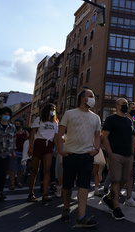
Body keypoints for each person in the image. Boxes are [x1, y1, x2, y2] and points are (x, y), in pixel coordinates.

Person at [57, 89, 101, 227]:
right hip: (70, 155)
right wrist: (61, 151)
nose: (93, 99)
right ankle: (66, 209)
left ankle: (81, 216)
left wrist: (96, 149)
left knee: (84, 186)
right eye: (91, 96)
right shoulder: (69, 113)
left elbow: (98, 135)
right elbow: (60, 134)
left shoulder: (96, 117)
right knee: (68, 185)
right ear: (82, 99)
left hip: (87, 156)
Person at [102, 98, 134, 220]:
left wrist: (132, 154)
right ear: (117, 106)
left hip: (128, 156)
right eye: (123, 104)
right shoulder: (111, 119)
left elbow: (132, 138)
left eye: (127, 104)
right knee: (115, 181)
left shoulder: (129, 121)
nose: (126, 106)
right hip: (115, 155)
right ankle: (116, 208)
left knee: (124, 179)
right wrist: (110, 154)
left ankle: (108, 198)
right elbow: (104, 137)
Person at [27, 103, 58, 203]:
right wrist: (31, 146)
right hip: (39, 143)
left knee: (47, 169)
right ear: (46, 110)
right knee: (35, 170)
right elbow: (32, 134)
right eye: (51, 109)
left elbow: (56, 137)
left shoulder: (55, 123)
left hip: (48, 145)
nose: (52, 111)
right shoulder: (39, 119)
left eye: (54, 109)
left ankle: (45, 194)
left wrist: (57, 148)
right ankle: (31, 193)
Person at [122, 102, 135, 207]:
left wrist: (134, 151)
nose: (134, 110)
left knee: (130, 174)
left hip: (131, 152)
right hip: (120, 151)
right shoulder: (123, 120)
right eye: (132, 108)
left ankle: (129, 197)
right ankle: (111, 196)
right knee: (117, 176)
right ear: (127, 109)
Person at [9, 119, 28, 190]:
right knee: (13, 168)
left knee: (22, 168)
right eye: (15, 124)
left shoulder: (25, 132)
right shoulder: (13, 132)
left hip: (23, 153)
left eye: (18, 124)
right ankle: (12, 183)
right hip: (14, 152)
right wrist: (12, 151)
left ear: (21, 125)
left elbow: (28, 141)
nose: (17, 125)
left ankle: (18, 181)